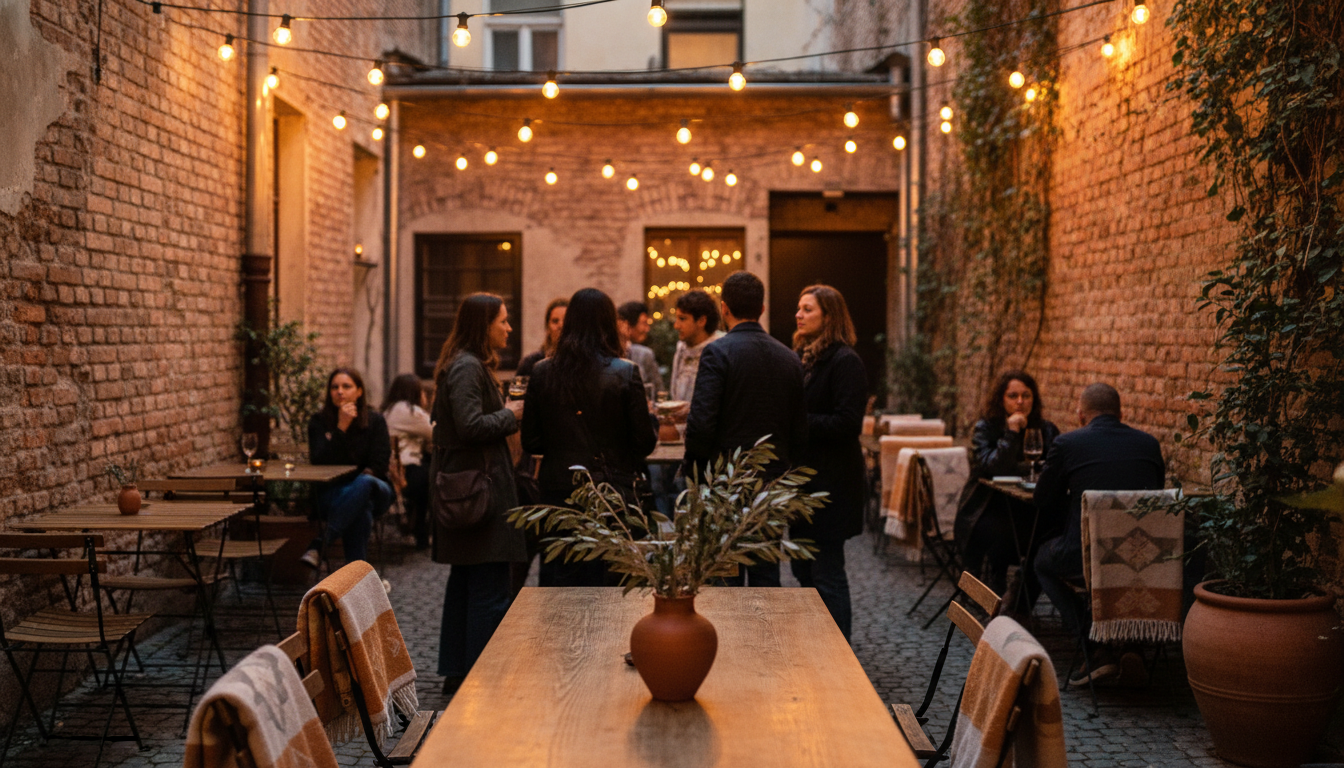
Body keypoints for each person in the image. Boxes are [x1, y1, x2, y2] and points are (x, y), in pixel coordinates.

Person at [522, 288, 658, 586]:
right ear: (609, 324)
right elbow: (644, 443)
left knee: (562, 579)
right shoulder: (625, 372)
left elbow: (531, 442)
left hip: (559, 491)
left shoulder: (542, 372)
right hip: (611, 492)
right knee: (610, 580)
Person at [1032, 383, 1164, 686]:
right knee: (1126, 561)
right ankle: (1133, 645)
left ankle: (1095, 647)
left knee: (1041, 561)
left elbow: (1041, 499)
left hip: (1086, 559)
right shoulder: (1149, 444)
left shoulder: (1067, 444)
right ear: (1122, 413)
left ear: (1080, 415)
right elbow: (1154, 498)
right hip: (1143, 559)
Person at [431, 293, 528, 693]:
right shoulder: (468, 367)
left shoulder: (464, 365)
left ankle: (458, 669)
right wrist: (511, 415)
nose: (508, 328)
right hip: (478, 495)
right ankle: (483, 677)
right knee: (487, 584)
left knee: (465, 581)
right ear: (483, 325)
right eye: (502, 321)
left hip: (468, 490)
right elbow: (471, 425)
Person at [684, 271, 807, 587]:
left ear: (724, 309)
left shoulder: (718, 352)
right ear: (762, 309)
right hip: (772, 482)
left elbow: (701, 424)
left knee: (724, 574)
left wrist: (695, 473)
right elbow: (798, 428)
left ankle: (729, 637)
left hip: (727, 481)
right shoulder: (790, 358)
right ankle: (766, 636)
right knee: (766, 572)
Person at [789, 285, 867, 641]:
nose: (799, 315)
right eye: (799, 308)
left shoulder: (844, 361)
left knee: (827, 572)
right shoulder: (806, 358)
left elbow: (848, 423)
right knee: (803, 569)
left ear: (828, 316)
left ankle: (840, 652)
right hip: (804, 483)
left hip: (831, 485)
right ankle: (815, 646)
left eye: (808, 309)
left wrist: (798, 421)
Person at [954, 371, 1060, 599]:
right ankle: (994, 594)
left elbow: (1052, 468)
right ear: (1001, 399)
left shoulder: (1046, 430)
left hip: (1029, 509)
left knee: (1046, 532)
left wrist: (1020, 467)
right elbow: (994, 467)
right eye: (1013, 396)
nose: (1020, 401)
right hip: (986, 507)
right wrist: (1011, 433)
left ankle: (1019, 602)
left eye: (1026, 395)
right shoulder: (987, 428)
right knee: (1002, 533)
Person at [304, 368, 393, 568]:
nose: (340, 392)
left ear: (359, 391)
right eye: (334, 387)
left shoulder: (375, 421)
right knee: (361, 510)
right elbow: (320, 463)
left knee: (365, 483)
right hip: (332, 494)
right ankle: (357, 584)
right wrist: (341, 428)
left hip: (376, 490)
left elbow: (379, 465)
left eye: (346, 386)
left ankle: (320, 545)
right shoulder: (318, 422)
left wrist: (356, 485)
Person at [382, 373, 434, 550]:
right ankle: (422, 532)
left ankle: (418, 528)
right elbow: (434, 432)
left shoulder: (389, 410)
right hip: (405, 471)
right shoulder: (410, 411)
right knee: (433, 477)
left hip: (393, 469)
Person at [668, 289, 723, 404]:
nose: (676, 325)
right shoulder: (681, 349)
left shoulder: (722, 349)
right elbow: (675, 395)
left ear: (702, 321)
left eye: (682, 319)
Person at [616, 300, 664, 393]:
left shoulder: (645, 354)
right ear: (626, 324)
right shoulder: (607, 353)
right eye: (644, 323)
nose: (647, 329)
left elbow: (659, 390)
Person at [516, 297, 568, 377]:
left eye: (566, 321)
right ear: (547, 328)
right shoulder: (531, 363)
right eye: (555, 321)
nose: (560, 326)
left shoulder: (582, 363)